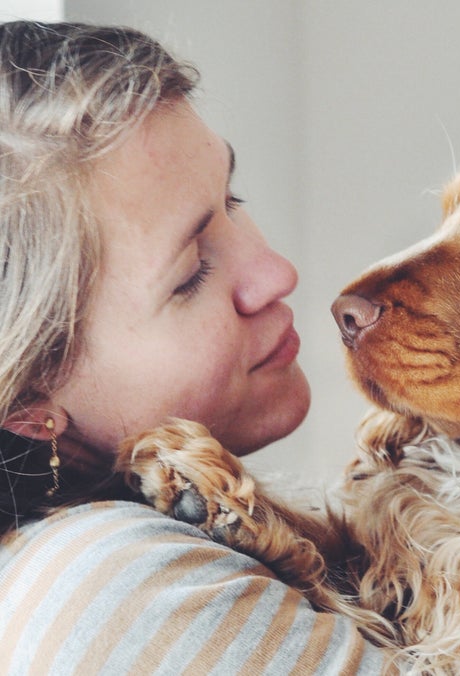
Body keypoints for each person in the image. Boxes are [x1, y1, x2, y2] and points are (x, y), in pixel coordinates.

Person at [0, 21, 392, 674]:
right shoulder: (127, 596)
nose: (277, 272)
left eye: (232, 198)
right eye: (191, 274)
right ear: (28, 403)